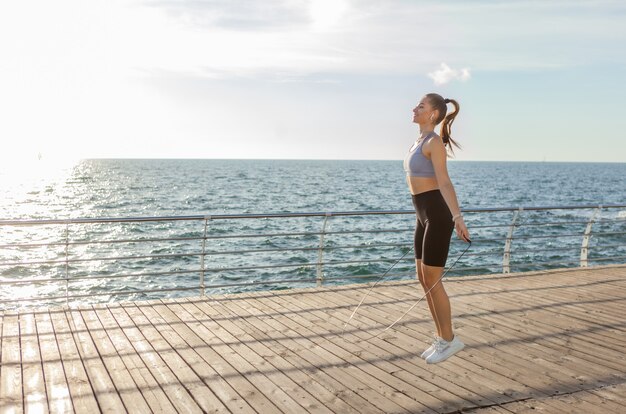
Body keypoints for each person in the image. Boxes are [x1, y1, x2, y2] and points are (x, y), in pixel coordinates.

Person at [403, 93, 471, 364]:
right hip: (422, 214)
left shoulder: (434, 143)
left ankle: (450, 340)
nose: (414, 108)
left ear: (433, 114)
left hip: (438, 215)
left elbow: (444, 183)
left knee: (433, 279)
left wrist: (457, 217)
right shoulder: (418, 141)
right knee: (423, 279)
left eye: (420, 106)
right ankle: (442, 337)